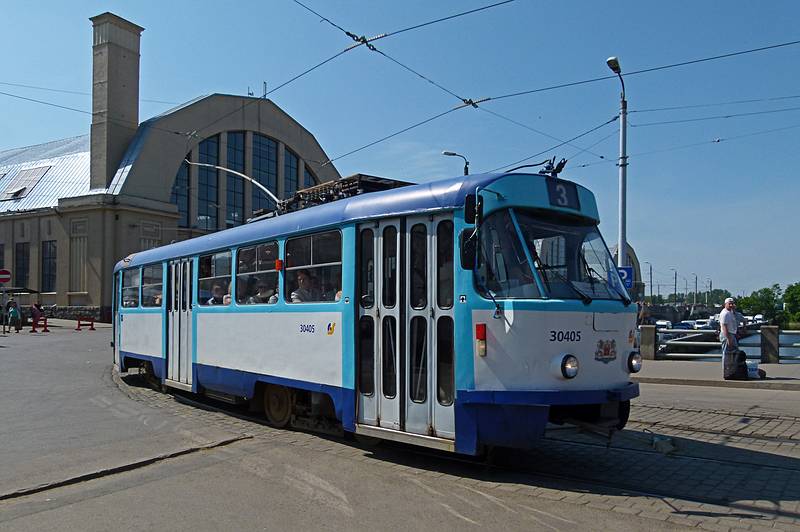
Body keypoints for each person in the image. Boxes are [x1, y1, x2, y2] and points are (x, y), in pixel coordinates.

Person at [719, 297, 739, 372]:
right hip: (727, 335)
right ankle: (725, 369)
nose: (731, 305)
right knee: (726, 352)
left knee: (734, 352)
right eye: (729, 304)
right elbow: (724, 327)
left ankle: (733, 368)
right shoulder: (724, 313)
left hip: (731, 334)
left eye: (732, 304)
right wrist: (728, 338)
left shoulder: (730, 312)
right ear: (725, 304)